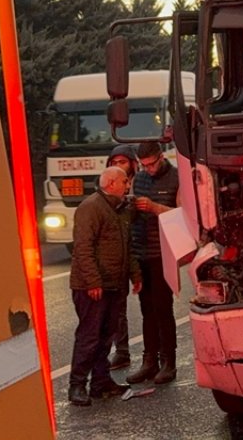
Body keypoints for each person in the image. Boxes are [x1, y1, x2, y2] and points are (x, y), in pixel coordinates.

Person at [67, 166, 142, 407]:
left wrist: (134, 274)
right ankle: (76, 385)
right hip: (93, 287)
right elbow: (83, 248)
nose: (127, 186)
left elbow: (125, 246)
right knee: (89, 336)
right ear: (110, 184)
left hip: (114, 285)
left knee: (105, 336)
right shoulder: (91, 208)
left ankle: (100, 382)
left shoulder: (120, 209)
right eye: (123, 182)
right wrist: (93, 282)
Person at [125, 141, 180, 386]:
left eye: (151, 164)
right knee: (146, 309)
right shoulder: (139, 179)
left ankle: (169, 361)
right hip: (141, 250)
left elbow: (184, 214)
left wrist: (156, 208)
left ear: (161, 157)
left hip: (163, 253)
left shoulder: (176, 178)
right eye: (143, 165)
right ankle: (150, 361)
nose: (148, 169)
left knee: (162, 309)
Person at [105, 145, 138, 371]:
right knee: (115, 311)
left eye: (123, 162)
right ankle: (121, 351)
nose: (119, 166)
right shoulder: (105, 196)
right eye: (114, 162)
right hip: (116, 259)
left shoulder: (142, 184)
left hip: (140, 252)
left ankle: (152, 356)